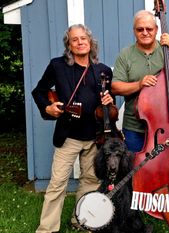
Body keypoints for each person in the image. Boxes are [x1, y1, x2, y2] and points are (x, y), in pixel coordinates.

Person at [32, 24, 114, 233]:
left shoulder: (103, 70)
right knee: (57, 183)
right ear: (68, 45)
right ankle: (47, 229)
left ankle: (82, 220)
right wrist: (47, 107)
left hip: (95, 136)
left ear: (90, 42)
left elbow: (107, 106)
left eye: (83, 38)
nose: (80, 42)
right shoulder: (58, 66)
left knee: (90, 180)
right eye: (74, 39)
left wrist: (109, 100)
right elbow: (39, 91)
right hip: (68, 135)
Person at [111, 10, 169, 152]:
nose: (145, 33)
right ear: (134, 31)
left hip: (166, 124)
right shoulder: (125, 55)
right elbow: (116, 87)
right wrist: (139, 84)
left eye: (149, 29)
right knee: (135, 168)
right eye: (140, 29)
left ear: (156, 30)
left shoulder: (167, 50)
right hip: (134, 127)